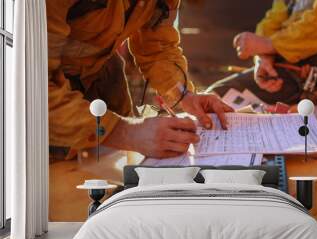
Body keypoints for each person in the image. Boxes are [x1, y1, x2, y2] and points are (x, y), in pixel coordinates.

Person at [47, 0, 232, 160]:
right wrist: (126, 132)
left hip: (103, 83)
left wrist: (184, 96)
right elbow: (30, 95)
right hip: (47, 119)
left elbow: (158, 47)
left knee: (118, 179)